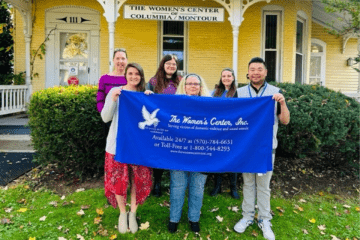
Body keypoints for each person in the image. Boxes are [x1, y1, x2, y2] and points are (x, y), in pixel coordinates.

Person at [233, 57, 290, 240]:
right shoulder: (239, 92)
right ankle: (247, 216)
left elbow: (285, 121)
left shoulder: (275, 92)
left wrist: (282, 103)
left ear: (265, 72)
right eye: (252, 69)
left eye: (259, 69)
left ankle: (265, 219)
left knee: (264, 186)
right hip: (246, 148)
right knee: (248, 183)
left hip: (266, 148)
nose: (256, 72)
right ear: (248, 73)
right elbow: (232, 118)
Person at [101, 63, 153, 234]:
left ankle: (133, 213)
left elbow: (153, 119)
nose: (133, 76)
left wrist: (151, 99)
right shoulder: (116, 91)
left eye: (137, 73)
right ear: (126, 75)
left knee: (137, 180)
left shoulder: (144, 94)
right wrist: (114, 99)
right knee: (119, 181)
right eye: (130, 73)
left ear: (141, 76)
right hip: (117, 145)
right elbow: (105, 117)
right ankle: (123, 214)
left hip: (138, 147)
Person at [168, 73, 210, 234]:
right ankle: (174, 219)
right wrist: (148, 96)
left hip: (201, 153)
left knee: (197, 187)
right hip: (179, 152)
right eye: (189, 83)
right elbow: (157, 108)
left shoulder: (209, 105)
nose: (193, 86)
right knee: (177, 187)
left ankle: (194, 219)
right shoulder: (174, 103)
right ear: (183, 86)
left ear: (200, 87)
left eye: (196, 84)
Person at [146, 54, 182, 197]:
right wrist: (147, 93)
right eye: (169, 64)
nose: (171, 66)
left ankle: (175, 184)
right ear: (163, 64)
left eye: (174, 64)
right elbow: (147, 100)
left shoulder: (180, 81)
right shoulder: (153, 81)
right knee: (159, 153)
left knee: (174, 152)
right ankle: (158, 182)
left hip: (175, 123)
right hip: (159, 123)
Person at [210, 68, 239, 199]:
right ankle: (217, 186)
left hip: (233, 131)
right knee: (218, 159)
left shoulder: (238, 92)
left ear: (233, 78)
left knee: (233, 159)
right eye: (224, 76)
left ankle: (233, 187)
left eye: (229, 76)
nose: (226, 78)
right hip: (218, 131)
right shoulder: (215, 92)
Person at [96, 48, 128, 137]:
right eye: (117, 58)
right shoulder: (104, 78)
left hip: (126, 119)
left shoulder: (131, 78)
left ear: (126, 60)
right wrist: (104, 113)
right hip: (109, 119)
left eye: (123, 58)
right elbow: (100, 99)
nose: (120, 61)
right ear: (113, 60)